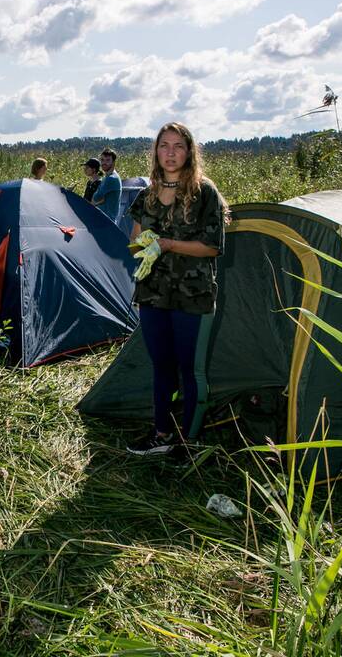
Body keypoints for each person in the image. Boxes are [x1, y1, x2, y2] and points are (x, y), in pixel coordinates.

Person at [126, 122, 228, 455]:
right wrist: (147, 245)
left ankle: (190, 441)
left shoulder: (204, 192)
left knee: (191, 369)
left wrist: (169, 244)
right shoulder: (147, 194)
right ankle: (162, 434)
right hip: (153, 294)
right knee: (162, 368)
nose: (170, 153)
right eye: (164, 146)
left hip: (193, 297)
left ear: (189, 151)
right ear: (156, 152)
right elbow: (135, 243)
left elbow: (212, 246)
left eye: (178, 146)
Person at [91, 147, 123, 221]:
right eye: (102, 160)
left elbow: (96, 197)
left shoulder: (112, 178)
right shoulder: (107, 177)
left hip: (107, 221)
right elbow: (98, 198)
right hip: (103, 219)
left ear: (114, 162)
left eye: (108, 160)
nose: (104, 163)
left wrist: (98, 200)